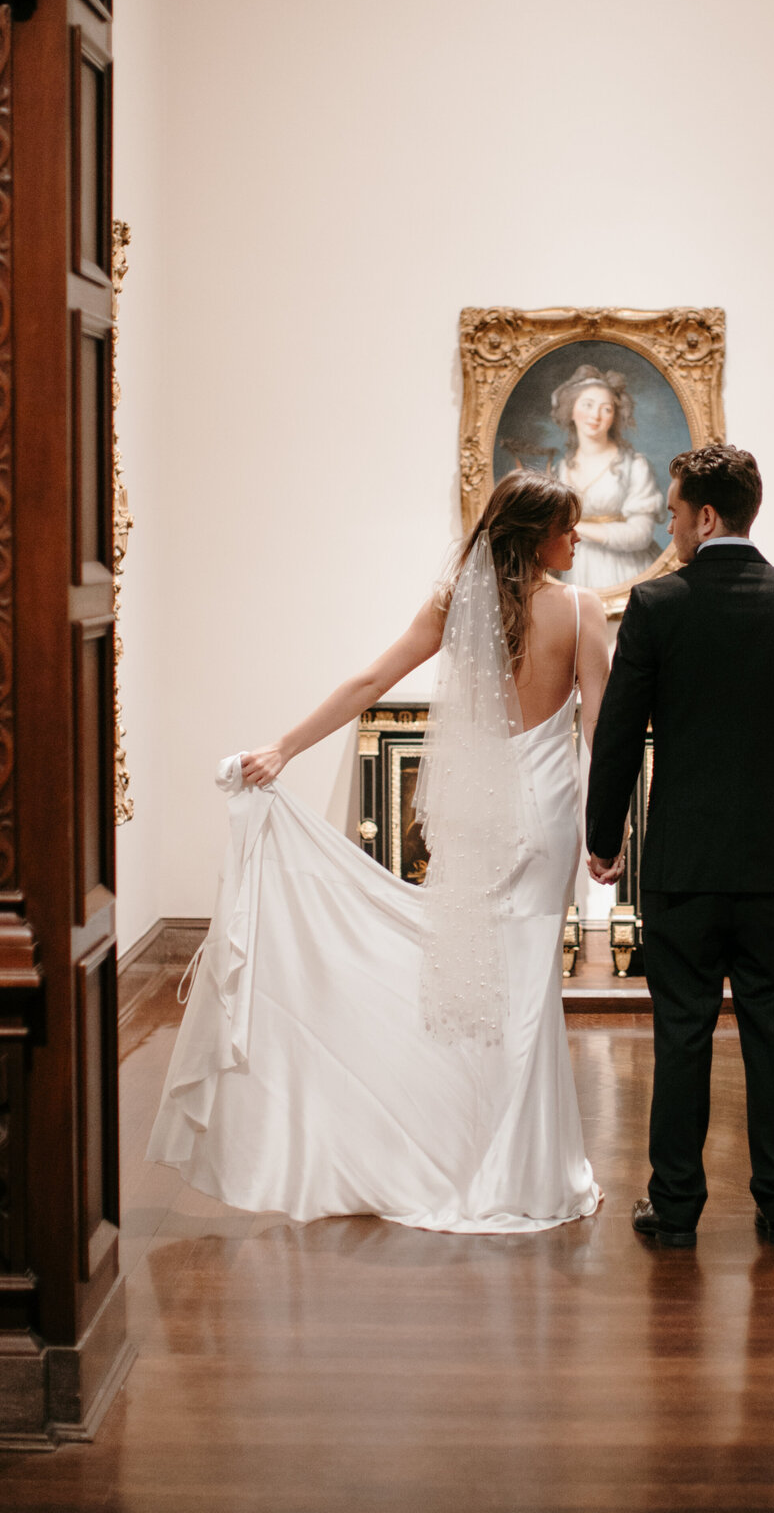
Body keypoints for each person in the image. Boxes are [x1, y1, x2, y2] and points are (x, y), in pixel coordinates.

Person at [146, 471, 610, 1234]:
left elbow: (369, 681)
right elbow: (602, 726)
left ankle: (474, 1156)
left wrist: (285, 746)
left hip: (475, 819)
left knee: (476, 979)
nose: (577, 539)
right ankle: (522, 1169)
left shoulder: (456, 602)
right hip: (545, 819)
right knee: (528, 984)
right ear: (536, 535)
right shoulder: (582, 611)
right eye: (568, 528)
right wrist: (606, 828)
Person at [585, 444, 774, 1248]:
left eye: (671, 512)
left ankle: (675, 1207)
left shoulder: (659, 606)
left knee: (682, 1031)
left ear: (704, 515)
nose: (667, 525)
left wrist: (603, 839)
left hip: (684, 865)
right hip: (773, 862)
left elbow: (619, 734)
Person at [550, 363, 666, 590]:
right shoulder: (560, 469)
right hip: (577, 569)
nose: (595, 415)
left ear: (615, 416)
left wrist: (575, 527)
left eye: (606, 409)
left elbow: (640, 534)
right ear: (571, 410)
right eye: (587, 405)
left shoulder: (635, 465)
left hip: (628, 569)